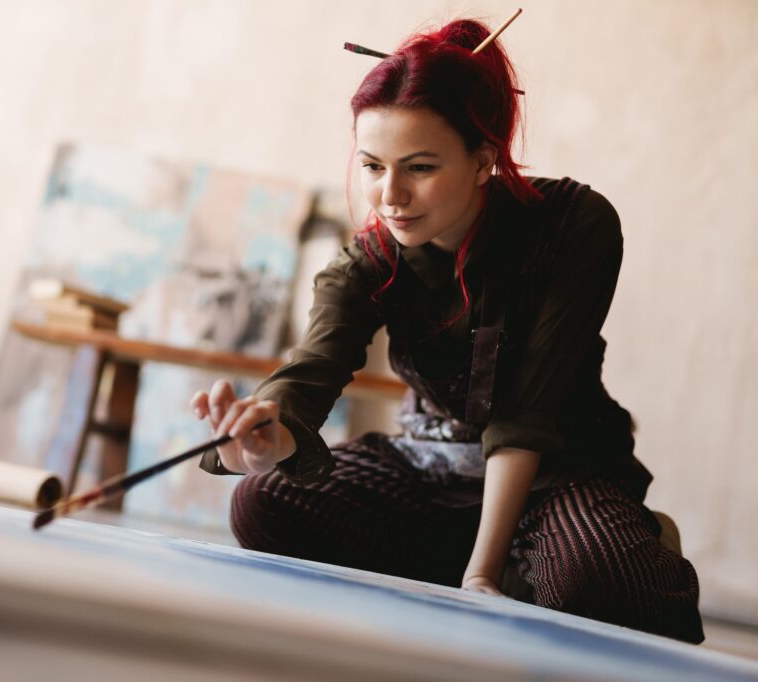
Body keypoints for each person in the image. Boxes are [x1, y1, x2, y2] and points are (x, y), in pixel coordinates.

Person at [188, 18, 704, 644]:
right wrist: (266, 438)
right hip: (429, 472)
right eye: (373, 166)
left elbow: (525, 411)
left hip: (556, 473)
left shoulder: (575, 225)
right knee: (263, 500)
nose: (389, 195)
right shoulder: (370, 259)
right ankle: (519, 571)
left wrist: (481, 578)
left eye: (420, 167)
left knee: (601, 584)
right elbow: (311, 372)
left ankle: (574, 554)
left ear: (484, 158)